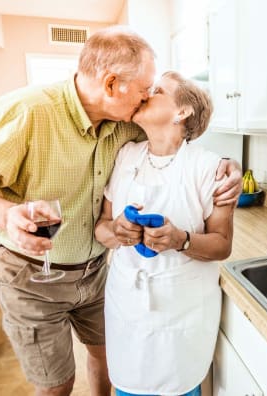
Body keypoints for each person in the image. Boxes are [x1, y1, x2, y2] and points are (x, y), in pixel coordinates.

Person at [0, 27, 242, 396]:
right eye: (146, 87)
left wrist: (228, 166)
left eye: (153, 90)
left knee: (107, 359)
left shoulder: (126, 124)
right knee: (56, 383)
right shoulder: (27, 111)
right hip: (32, 276)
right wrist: (7, 216)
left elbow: (180, 144)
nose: (147, 96)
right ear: (112, 84)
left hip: (96, 274)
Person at [94, 71, 234, 396]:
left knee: (178, 387)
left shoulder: (209, 168)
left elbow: (222, 245)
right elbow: (102, 227)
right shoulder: (126, 155)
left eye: (157, 90)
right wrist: (116, 231)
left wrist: (180, 240)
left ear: (181, 111)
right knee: (128, 386)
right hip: (127, 305)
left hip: (181, 310)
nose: (146, 94)